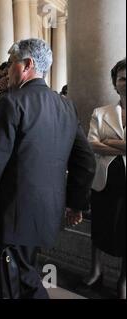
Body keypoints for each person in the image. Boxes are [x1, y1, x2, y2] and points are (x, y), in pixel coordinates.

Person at [0, 38, 96, 299]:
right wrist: (76, 203)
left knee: (22, 282)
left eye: (11, 63)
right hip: (49, 213)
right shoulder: (65, 105)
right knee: (23, 273)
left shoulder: (11, 102)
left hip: (15, 215)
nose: (7, 70)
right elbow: (86, 160)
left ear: (26, 65)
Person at [84, 58, 126, 299]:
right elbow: (92, 144)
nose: (126, 83)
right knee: (99, 227)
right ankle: (95, 271)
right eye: (122, 78)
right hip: (105, 181)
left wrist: (109, 142)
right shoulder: (101, 113)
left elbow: (102, 144)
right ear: (115, 83)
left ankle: (123, 281)